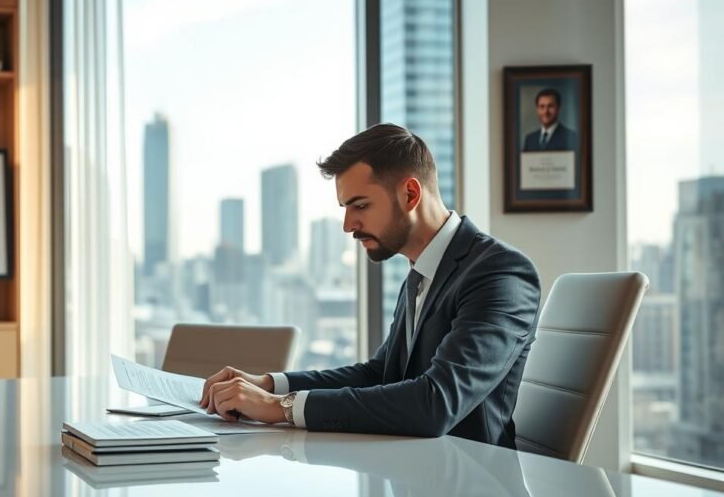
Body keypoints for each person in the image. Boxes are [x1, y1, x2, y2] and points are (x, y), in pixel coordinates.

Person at [199, 123, 541, 449]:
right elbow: (380, 374)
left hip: (473, 489)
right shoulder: (421, 272)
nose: (349, 225)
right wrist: (270, 385)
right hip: (418, 478)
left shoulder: (501, 273)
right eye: (345, 209)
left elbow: (436, 402)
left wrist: (281, 407)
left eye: (360, 205)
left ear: (410, 194)